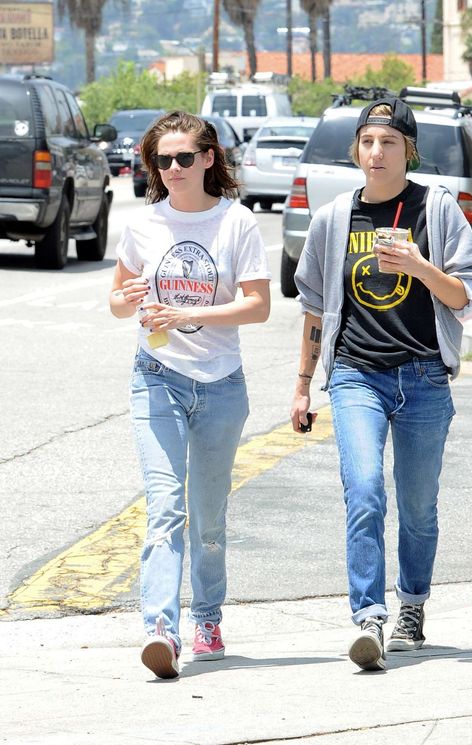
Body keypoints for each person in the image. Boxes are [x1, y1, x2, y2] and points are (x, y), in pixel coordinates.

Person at [290, 96, 472, 671]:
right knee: (365, 492)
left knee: (419, 506)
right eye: (369, 143)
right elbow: (314, 309)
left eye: (390, 143)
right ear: (356, 149)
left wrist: (421, 267)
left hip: (425, 375)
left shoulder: (437, 209)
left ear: (408, 151)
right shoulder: (333, 219)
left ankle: (413, 606)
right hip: (356, 374)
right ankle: (369, 618)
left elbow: (469, 295)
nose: (377, 154)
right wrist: (303, 385)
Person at [110, 111, 271, 679]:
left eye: (183, 158)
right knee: (164, 507)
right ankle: (160, 628)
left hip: (222, 384)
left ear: (208, 158)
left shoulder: (237, 223)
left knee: (207, 517)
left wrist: (188, 312)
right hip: (156, 374)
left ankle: (207, 616)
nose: (172, 169)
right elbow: (116, 299)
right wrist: (129, 297)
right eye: (161, 160)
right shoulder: (144, 224)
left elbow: (258, 305)